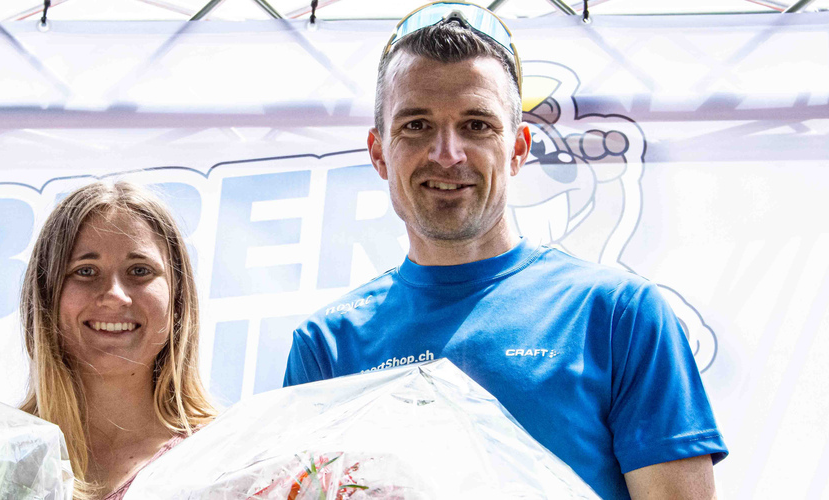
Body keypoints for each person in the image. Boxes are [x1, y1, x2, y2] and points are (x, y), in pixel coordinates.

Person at [283, 3, 727, 499]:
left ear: (517, 149)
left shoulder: (618, 314)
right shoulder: (327, 344)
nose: (447, 154)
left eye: (476, 125)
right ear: (378, 153)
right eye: (416, 125)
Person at [19, 181, 216, 500]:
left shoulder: (229, 459)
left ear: (177, 298)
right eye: (85, 271)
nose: (114, 296)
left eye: (139, 270)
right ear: (45, 296)